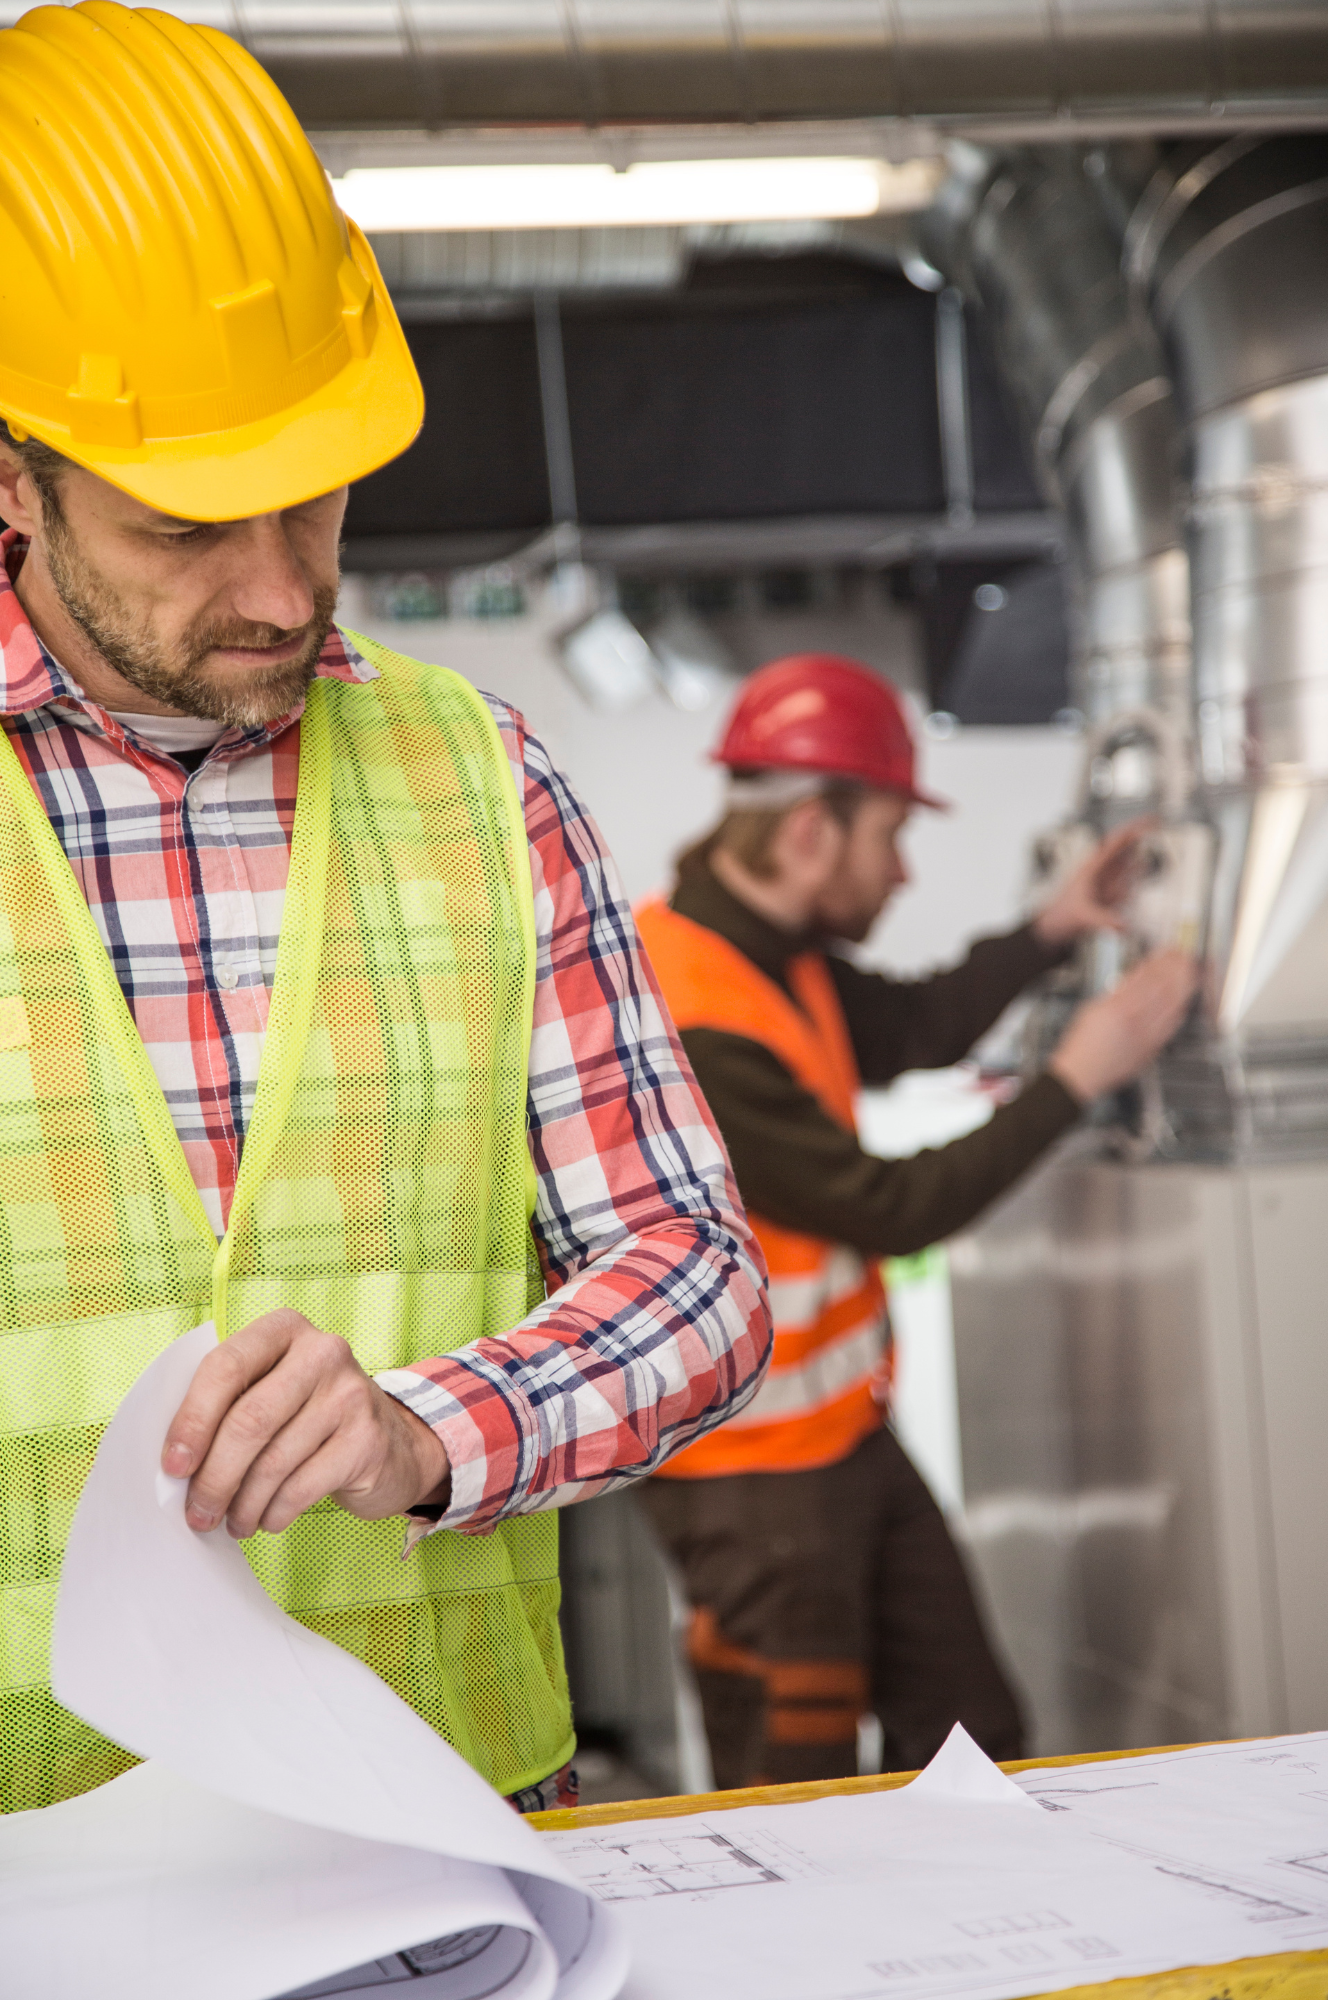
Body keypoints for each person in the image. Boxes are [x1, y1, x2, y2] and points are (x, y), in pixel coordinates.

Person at [0, 2, 769, 1820]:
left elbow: (697, 1271)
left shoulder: (479, 780)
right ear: (11, 486)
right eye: (187, 525)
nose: (278, 590)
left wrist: (436, 1425)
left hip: (456, 1847)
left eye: (314, 495)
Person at [635, 653, 1197, 1789]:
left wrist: (1050, 930)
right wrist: (1073, 1077)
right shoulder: (695, 1016)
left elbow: (912, 1021)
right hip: (751, 1483)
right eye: (888, 836)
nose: (898, 873)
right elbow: (889, 1208)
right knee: (797, 1787)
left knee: (969, 1733)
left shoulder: (771, 956)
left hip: (842, 1442)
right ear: (807, 833)